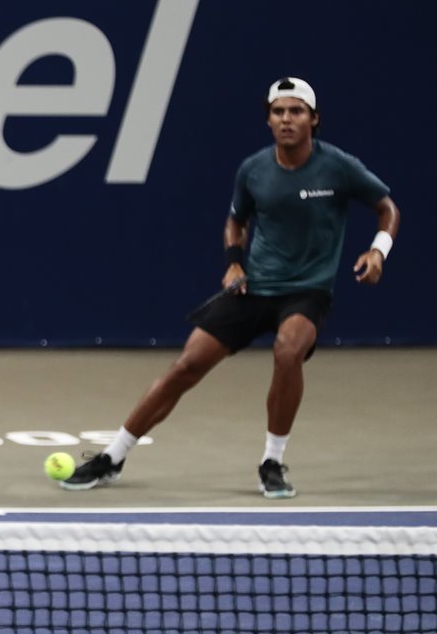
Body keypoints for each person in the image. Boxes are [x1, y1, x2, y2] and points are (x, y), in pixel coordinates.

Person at [63, 77, 400, 499]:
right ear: (269, 120)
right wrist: (233, 262)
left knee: (288, 350)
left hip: (308, 290)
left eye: (296, 111)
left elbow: (387, 208)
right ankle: (113, 456)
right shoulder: (253, 169)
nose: (286, 119)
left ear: (314, 119)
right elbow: (236, 221)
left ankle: (272, 461)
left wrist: (378, 252)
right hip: (253, 287)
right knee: (186, 366)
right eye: (278, 112)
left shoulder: (339, 166)